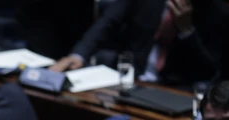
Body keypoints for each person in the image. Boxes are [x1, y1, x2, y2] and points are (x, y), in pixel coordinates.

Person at [49, 0, 226, 86]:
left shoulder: (217, 12)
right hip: (131, 79)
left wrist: (187, 30)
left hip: (176, 90)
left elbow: (208, 72)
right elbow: (107, 22)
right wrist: (77, 55)